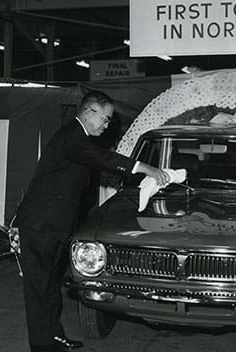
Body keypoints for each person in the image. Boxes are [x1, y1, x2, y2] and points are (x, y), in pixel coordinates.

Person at [14, 90, 170, 352]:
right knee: (38, 290)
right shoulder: (72, 137)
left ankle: (54, 337)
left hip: (54, 226)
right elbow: (104, 159)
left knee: (50, 287)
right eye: (106, 119)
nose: (107, 124)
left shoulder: (79, 138)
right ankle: (42, 346)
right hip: (40, 225)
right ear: (89, 112)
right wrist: (146, 168)